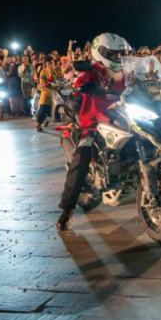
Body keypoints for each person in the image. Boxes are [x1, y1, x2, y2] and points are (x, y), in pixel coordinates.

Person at [58, 32, 131, 231]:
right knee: (81, 158)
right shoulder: (91, 71)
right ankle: (67, 210)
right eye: (113, 54)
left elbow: (137, 84)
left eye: (120, 54)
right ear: (101, 53)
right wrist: (85, 88)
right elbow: (79, 84)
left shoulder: (125, 72)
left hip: (121, 117)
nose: (118, 58)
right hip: (93, 122)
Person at [36, 57, 62, 131]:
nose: (50, 64)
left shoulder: (59, 69)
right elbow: (43, 83)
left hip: (57, 90)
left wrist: (54, 72)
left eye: (52, 63)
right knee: (44, 105)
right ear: (46, 63)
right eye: (49, 63)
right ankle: (38, 124)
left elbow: (61, 78)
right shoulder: (43, 71)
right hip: (47, 91)